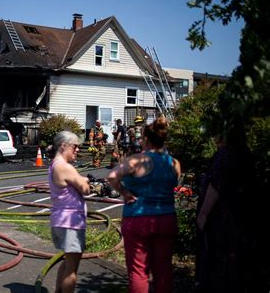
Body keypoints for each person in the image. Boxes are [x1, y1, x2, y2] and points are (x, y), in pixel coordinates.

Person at [107, 116, 180, 293]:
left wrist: (125, 193)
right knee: (163, 270)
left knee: (139, 272)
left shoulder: (136, 161)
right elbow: (173, 184)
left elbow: (111, 177)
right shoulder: (174, 163)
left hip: (138, 219)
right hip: (166, 218)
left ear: (146, 139)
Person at [196, 130, 265, 292]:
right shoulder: (245, 152)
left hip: (222, 221)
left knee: (220, 269)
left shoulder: (225, 155)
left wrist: (203, 215)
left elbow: (216, 185)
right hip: (240, 219)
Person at [47, 131, 90, 293]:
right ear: (63, 146)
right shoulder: (65, 167)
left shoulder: (54, 165)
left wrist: (80, 180)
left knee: (67, 263)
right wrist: (84, 181)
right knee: (72, 269)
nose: (77, 150)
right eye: (75, 147)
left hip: (60, 220)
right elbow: (85, 189)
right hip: (70, 222)